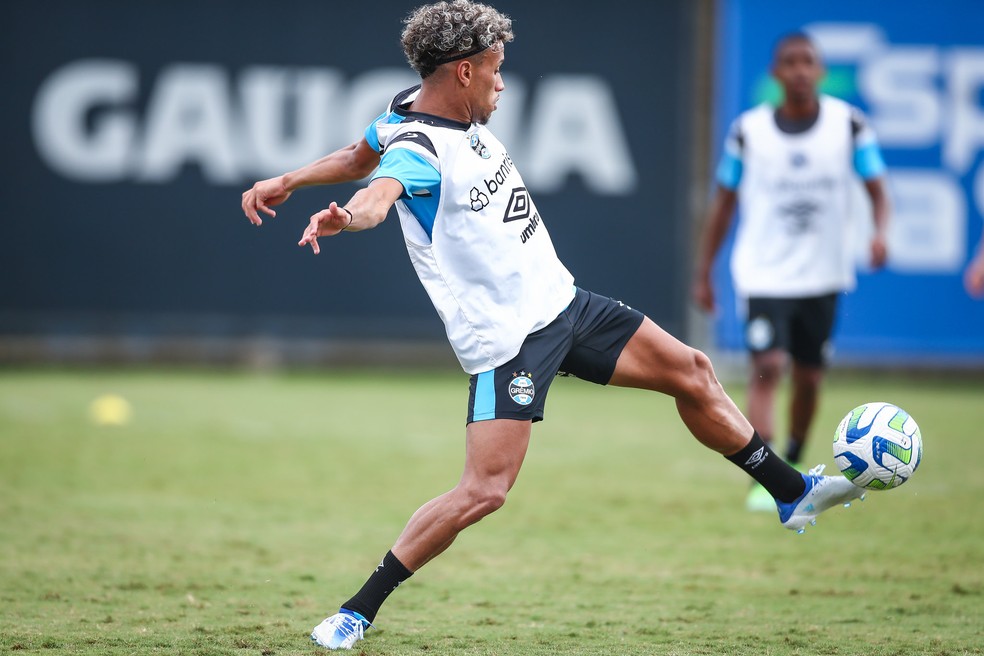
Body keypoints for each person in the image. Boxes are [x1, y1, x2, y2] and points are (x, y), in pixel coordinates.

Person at [242, 4, 864, 650]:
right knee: (484, 491)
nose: (501, 84)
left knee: (694, 372)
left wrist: (288, 180)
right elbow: (382, 188)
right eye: (494, 70)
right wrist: (349, 216)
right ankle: (357, 610)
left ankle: (793, 493)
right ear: (461, 73)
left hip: (563, 303)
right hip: (508, 343)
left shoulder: (405, 107)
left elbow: (356, 152)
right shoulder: (423, 148)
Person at [692, 32, 890, 512]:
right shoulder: (748, 131)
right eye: (790, 62)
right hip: (764, 273)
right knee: (768, 366)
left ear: (820, 71)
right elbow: (724, 204)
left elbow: (877, 187)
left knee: (809, 379)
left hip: (824, 274)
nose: (800, 70)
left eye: (808, 62)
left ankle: (795, 458)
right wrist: (705, 270)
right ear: (776, 74)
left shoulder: (850, 125)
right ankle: (768, 474)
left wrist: (880, 232)